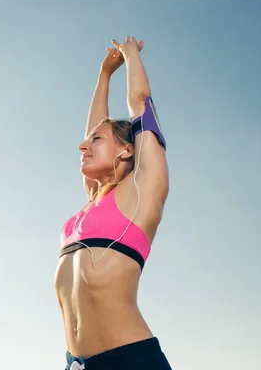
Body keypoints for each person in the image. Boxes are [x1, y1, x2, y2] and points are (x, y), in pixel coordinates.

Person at [55, 36, 172, 370]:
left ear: (127, 149)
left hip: (129, 360)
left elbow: (140, 102)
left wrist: (130, 53)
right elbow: (92, 128)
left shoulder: (142, 191)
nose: (83, 146)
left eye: (97, 140)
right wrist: (104, 75)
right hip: (76, 364)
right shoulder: (91, 202)